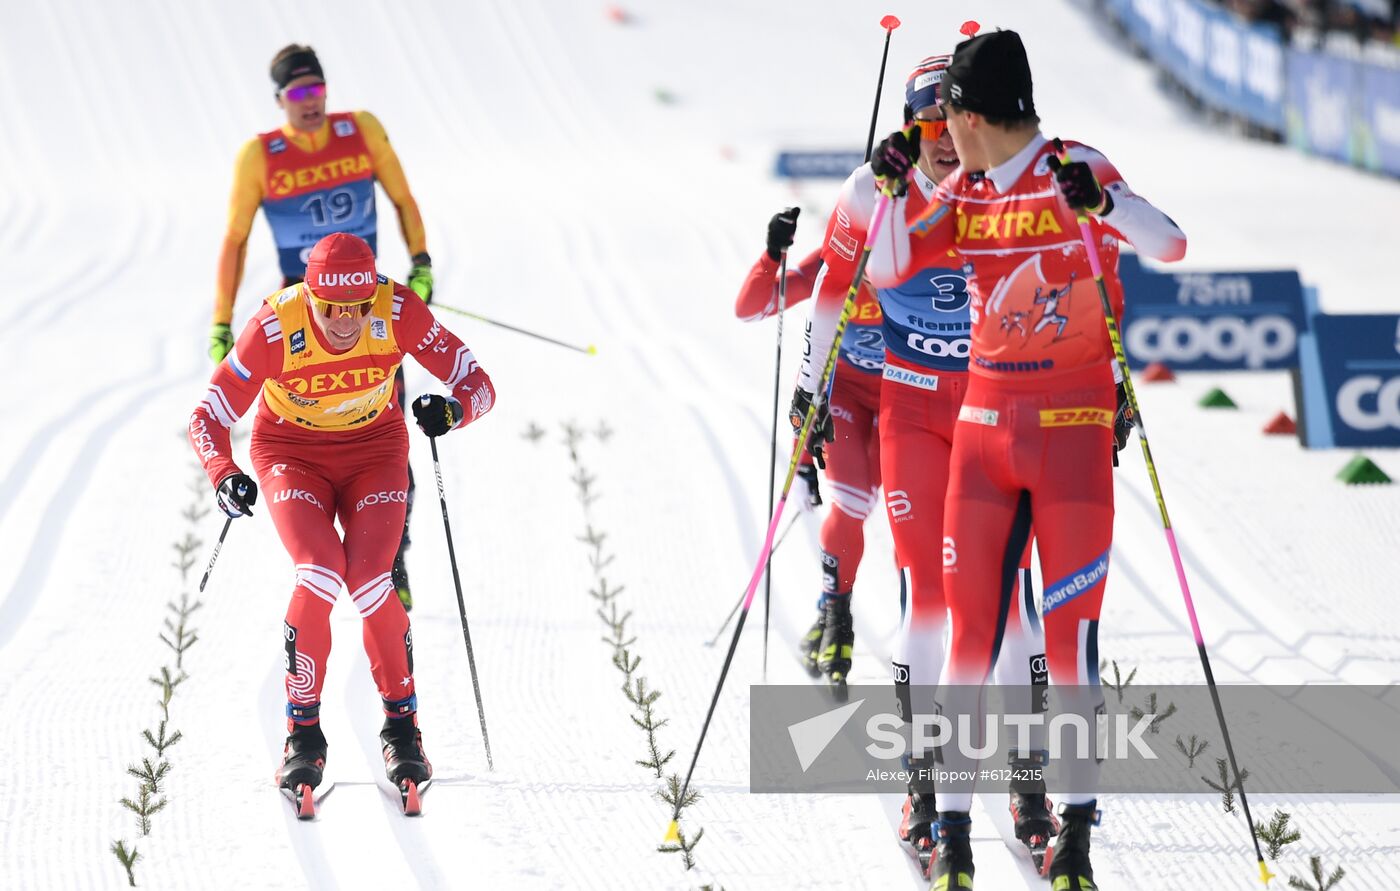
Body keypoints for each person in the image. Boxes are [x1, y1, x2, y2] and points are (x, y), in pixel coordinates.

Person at [866, 30, 1186, 890]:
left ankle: (1074, 838)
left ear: (973, 116)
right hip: (982, 439)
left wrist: (1106, 207)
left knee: (1070, 643)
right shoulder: (961, 194)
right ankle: (955, 836)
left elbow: (1171, 244)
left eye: (946, 120)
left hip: (1074, 437)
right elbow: (890, 264)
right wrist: (894, 189)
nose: (940, 138)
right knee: (971, 641)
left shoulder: (1074, 165)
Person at [795, 52, 1052, 877]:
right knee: (934, 599)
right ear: (910, 125)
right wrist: (810, 391)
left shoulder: (1004, 186)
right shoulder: (872, 191)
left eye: (955, 122)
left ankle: (1029, 782)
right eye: (929, 126)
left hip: (992, 409)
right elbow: (829, 294)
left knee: (1012, 599)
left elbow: (1071, 281)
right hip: (911, 409)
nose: (944, 141)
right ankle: (921, 784)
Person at [187, 232, 495, 803]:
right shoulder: (275, 327)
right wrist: (223, 473)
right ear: (311, 296)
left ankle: (402, 728)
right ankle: (302, 735)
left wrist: (450, 410)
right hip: (290, 454)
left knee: (373, 579)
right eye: (331, 309)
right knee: (321, 570)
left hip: (375, 452)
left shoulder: (398, 310)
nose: (346, 322)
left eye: (356, 307)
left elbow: (480, 385)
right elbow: (207, 416)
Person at [208, 43, 434, 612]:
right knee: (296, 424)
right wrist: (221, 320)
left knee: (386, 425)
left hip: (365, 307)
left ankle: (392, 556)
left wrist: (421, 263)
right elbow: (234, 241)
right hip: (302, 314)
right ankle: (319, 558)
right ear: (280, 100)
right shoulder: (259, 157)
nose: (309, 102)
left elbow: (403, 199)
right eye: (296, 94)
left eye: (317, 89)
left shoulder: (361, 131)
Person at [733, 208, 886, 687]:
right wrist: (773, 255)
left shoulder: (928, 256)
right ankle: (837, 617)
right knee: (853, 502)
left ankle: (830, 609)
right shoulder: (839, 256)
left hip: (908, 399)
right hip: (843, 398)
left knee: (912, 515)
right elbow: (751, 307)